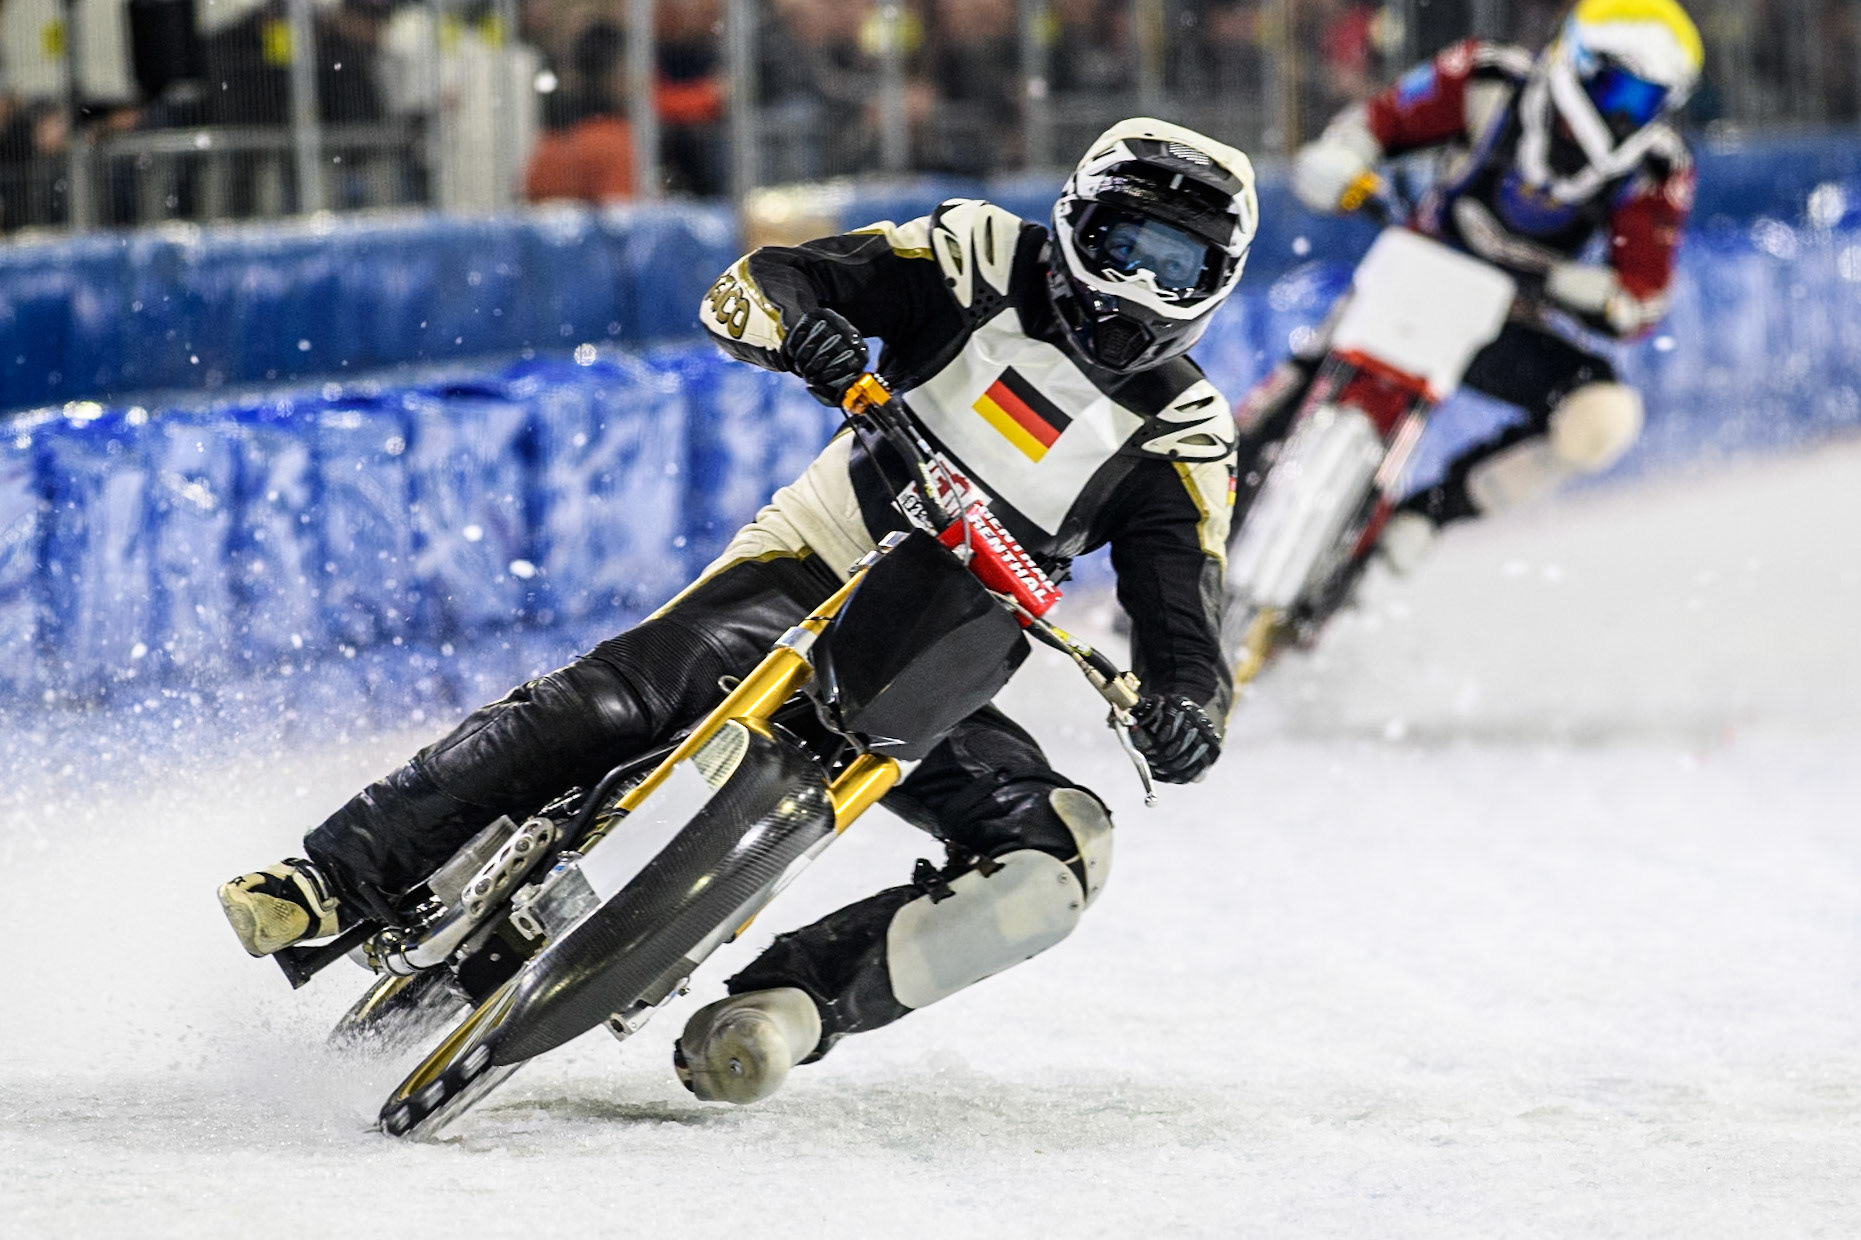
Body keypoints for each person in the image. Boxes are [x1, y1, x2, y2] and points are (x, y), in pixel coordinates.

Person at [219, 118, 1257, 1104]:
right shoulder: (978, 253)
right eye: (1124, 246)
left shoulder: (1187, 431)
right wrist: (803, 328)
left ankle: (785, 1011)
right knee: (623, 696)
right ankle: (333, 878)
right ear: (1075, 222)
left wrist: (1185, 713)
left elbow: (1183, 620)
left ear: (1214, 288)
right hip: (814, 565)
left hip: (937, 659)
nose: (1136, 288)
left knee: (1061, 850)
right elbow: (768, 280)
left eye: (1174, 267)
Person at [1236, 0, 1702, 572]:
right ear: (1577, 59)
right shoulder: (1486, 77)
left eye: (1645, 99)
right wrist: (1343, 159)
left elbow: (1642, 295)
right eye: (1616, 89)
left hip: (1507, 319)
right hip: (1412, 275)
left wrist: (1599, 295)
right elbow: (1379, 122)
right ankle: (1184, 551)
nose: (1625, 115)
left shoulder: (1657, 168)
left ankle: (1428, 516)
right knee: (1271, 414)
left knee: (1602, 417)